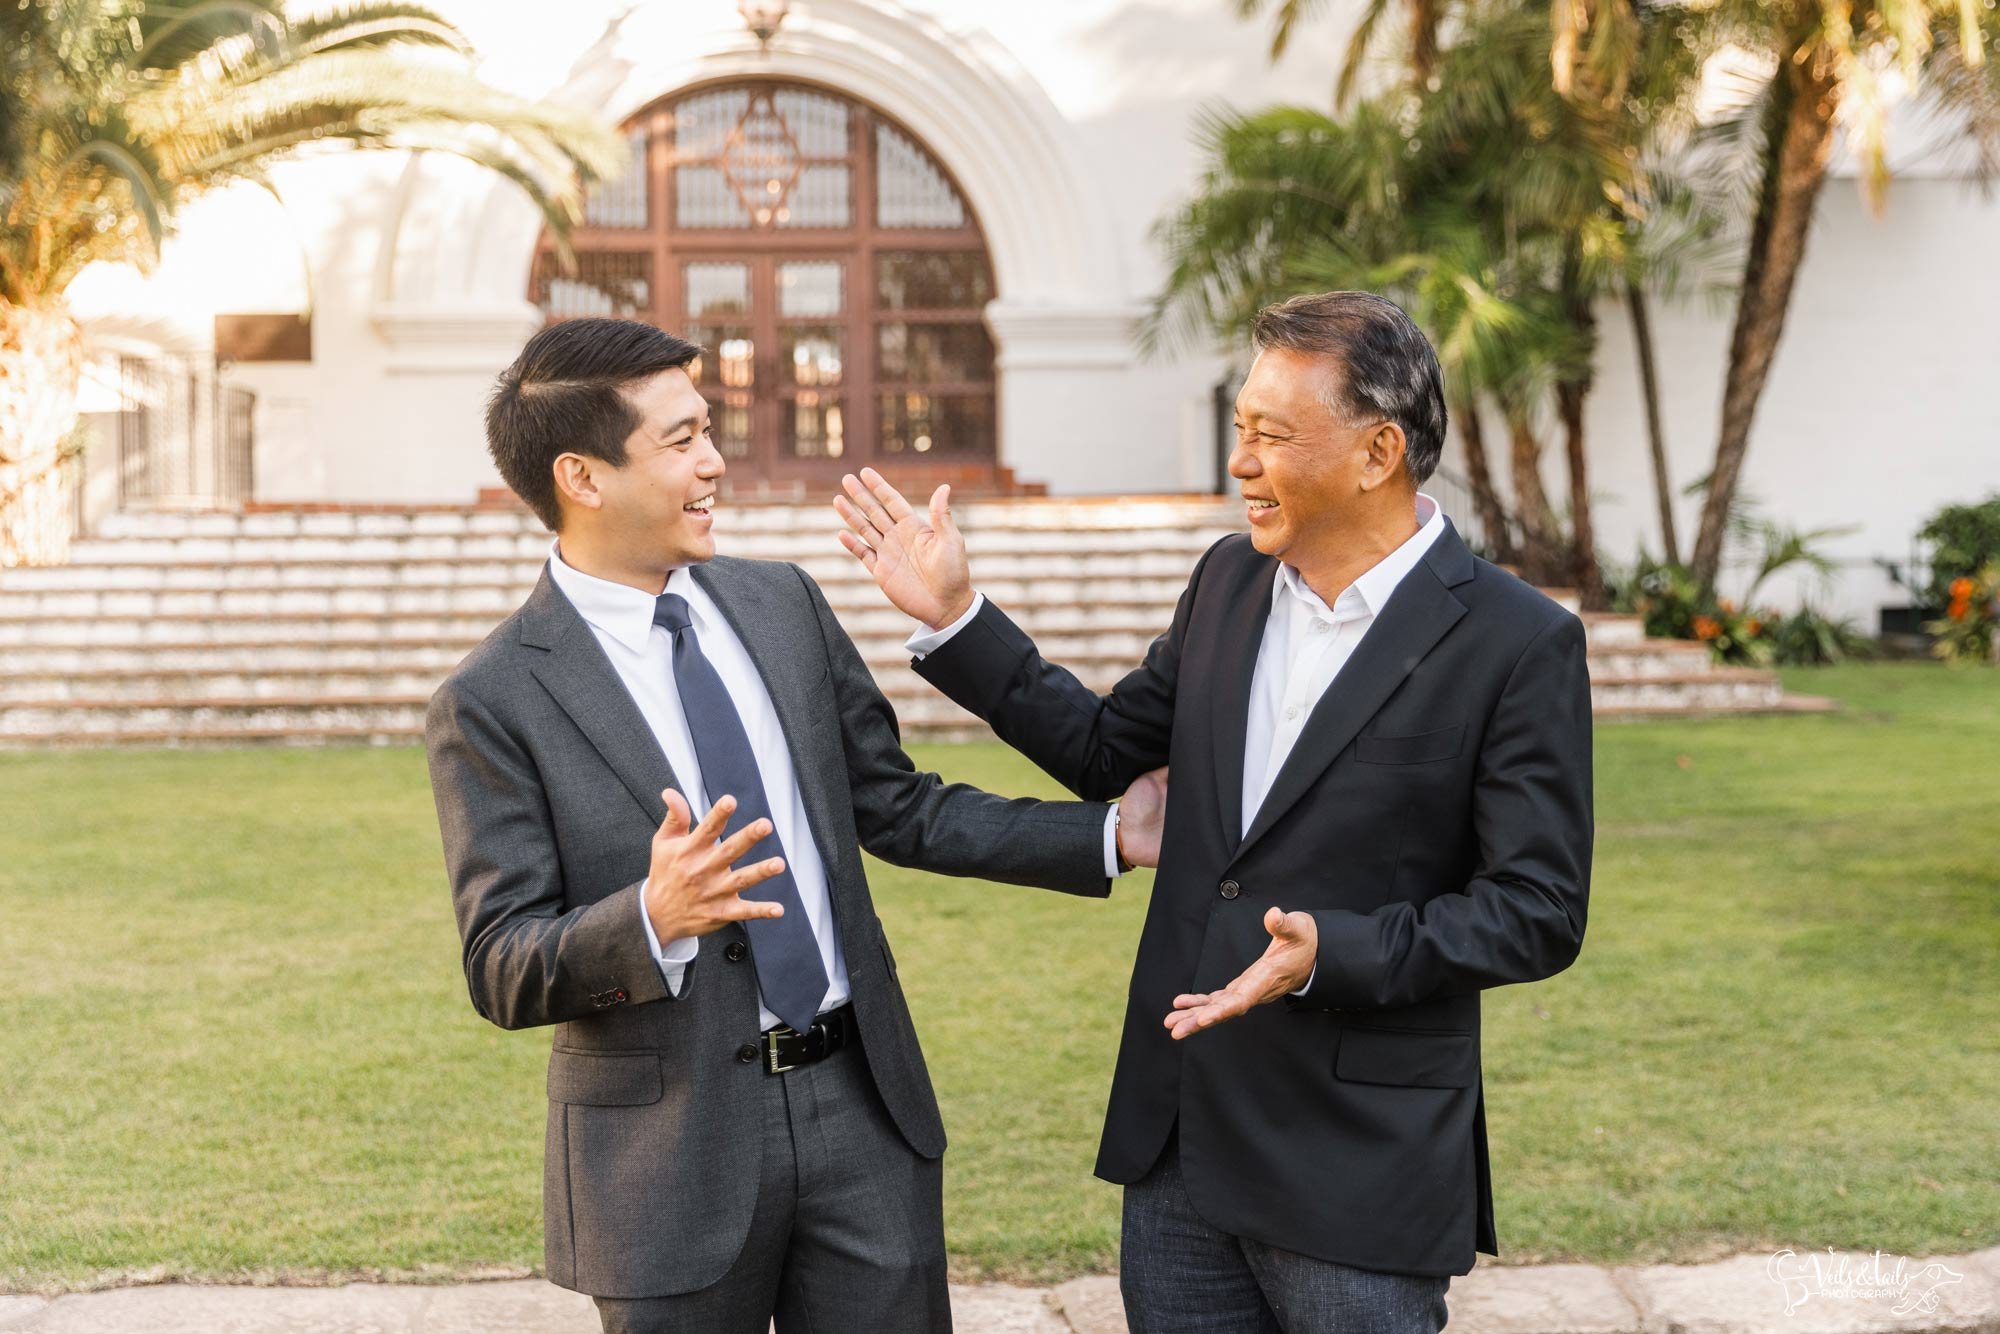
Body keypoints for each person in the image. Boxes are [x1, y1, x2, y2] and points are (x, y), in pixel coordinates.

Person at [834, 291, 1594, 1334]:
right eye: (1239, 429)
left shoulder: (1516, 641)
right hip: (1179, 1141)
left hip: (1357, 1161)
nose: (1239, 461)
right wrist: (958, 619)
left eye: (1271, 436)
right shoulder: (1228, 580)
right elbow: (1106, 748)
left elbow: (1536, 907)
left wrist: (1332, 948)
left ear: (1377, 452)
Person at [423, 316, 1163, 1334]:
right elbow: (500, 961)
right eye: (680, 440)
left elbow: (896, 804)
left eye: (707, 430)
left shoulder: (780, 603)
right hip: (664, 1162)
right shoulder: (493, 697)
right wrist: (650, 914)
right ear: (582, 477)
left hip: (864, 1111)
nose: (715, 461)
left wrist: (1110, 833)